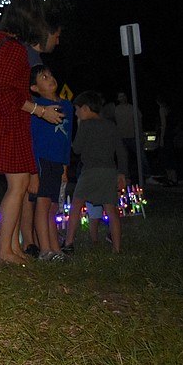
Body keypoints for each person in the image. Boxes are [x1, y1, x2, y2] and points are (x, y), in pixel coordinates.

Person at [0, 0, 64, 265]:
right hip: (8, 122)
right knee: (17, 186)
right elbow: (4, 94)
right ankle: (4, 251)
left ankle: (12, 246)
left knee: (21, 184)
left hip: (9, 120)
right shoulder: (12, 48)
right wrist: (40, 111)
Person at [61, 91, 127, 254]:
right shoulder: (111, 125)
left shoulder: (86, 125)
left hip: (90, 171)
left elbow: (77, 148)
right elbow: (121, 151)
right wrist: (122, 173)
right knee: (111, 209)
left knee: (76, 204)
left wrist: (78, 125)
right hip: (109, 171)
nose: (76, 113)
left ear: (85, 108)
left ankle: (69, 243)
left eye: (77, 110)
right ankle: (117, 248)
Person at [28, 65, 73, 261]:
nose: (50, 78)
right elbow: (32, 139)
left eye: (50, 74)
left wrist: (65, 166)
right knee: (43, 203)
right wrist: (33, 172)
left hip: (57, 160)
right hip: (42, 160)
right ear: (35, 87)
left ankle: (56, 248)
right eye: (43, 77)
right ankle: (45, 249)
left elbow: (67, 137)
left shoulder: (67, 106)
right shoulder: (37, 107)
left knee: (53, 207)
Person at [114, 91, 149, 182]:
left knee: (141, 156)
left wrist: (140, 136)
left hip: (133, 136)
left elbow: (139, 122)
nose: (122, 98)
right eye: (120, 97)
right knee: (123, 159)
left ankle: (146, 175)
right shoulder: (116, 109)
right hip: (121, 137)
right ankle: (125, 177)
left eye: (123, 96)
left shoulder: (132, 108)